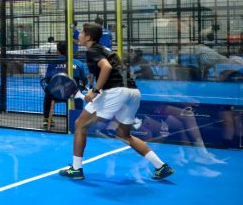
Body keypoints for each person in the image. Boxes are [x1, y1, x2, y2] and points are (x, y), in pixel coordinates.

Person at [60, 22, 174, 181]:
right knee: (124, 134)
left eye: (81, 33)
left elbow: (106, 68)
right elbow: (112, 72)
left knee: (80, 124)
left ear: (88, 37)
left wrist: (95, 91)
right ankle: (161, 166)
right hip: (133, 92)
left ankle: (76, 169)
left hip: (116, 92)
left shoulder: (92, 51)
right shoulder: (105, 49)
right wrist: (96, 90)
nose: (78, 35)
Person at [42, 41, 89, 129]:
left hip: (55, 95)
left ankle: (46, 119)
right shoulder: (78, 63)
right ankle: (78, 118)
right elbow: (84, 80)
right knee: (78, 93)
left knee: (48, 93)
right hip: (72, 94)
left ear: (58, 51)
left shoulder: (52, 63)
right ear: (70, 50)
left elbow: (48, 80)